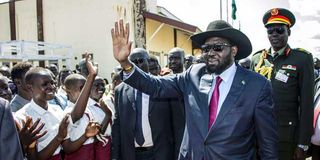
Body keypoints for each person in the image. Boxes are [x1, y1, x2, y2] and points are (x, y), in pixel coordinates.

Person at [111, 19, 278, 159]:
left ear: (233, 50)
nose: (210, 53)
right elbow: (157, 86)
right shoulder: (194, 74)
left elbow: (268, 144)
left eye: (218, 47)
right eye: (206, 49)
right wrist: (125, 64)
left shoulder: (257, 86)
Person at [251, 8, 314, 160]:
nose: (274, 35)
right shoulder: (257, 59)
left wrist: (303, 143)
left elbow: (306, 105)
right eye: (270, 31)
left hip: (285, 137)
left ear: (288, 32)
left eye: (279, 30)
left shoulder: (301, 59)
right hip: (256, 135)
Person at [111, 48, 175, 160]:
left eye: (141, 60)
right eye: (134, 62)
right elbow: (117, 126)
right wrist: (115, 156)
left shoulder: (163, 86)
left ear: (148, 62)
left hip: (160, 153)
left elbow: (175, 123)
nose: (138, 64)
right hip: (132, 154)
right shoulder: (120, 90)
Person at [14, 67, 69, 160]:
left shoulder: (57, 110)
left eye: (52, 83)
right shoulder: (22, 116)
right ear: (30, 87)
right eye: (45, 84)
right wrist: (59, 137)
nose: (51, 87)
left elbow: (66, 146)